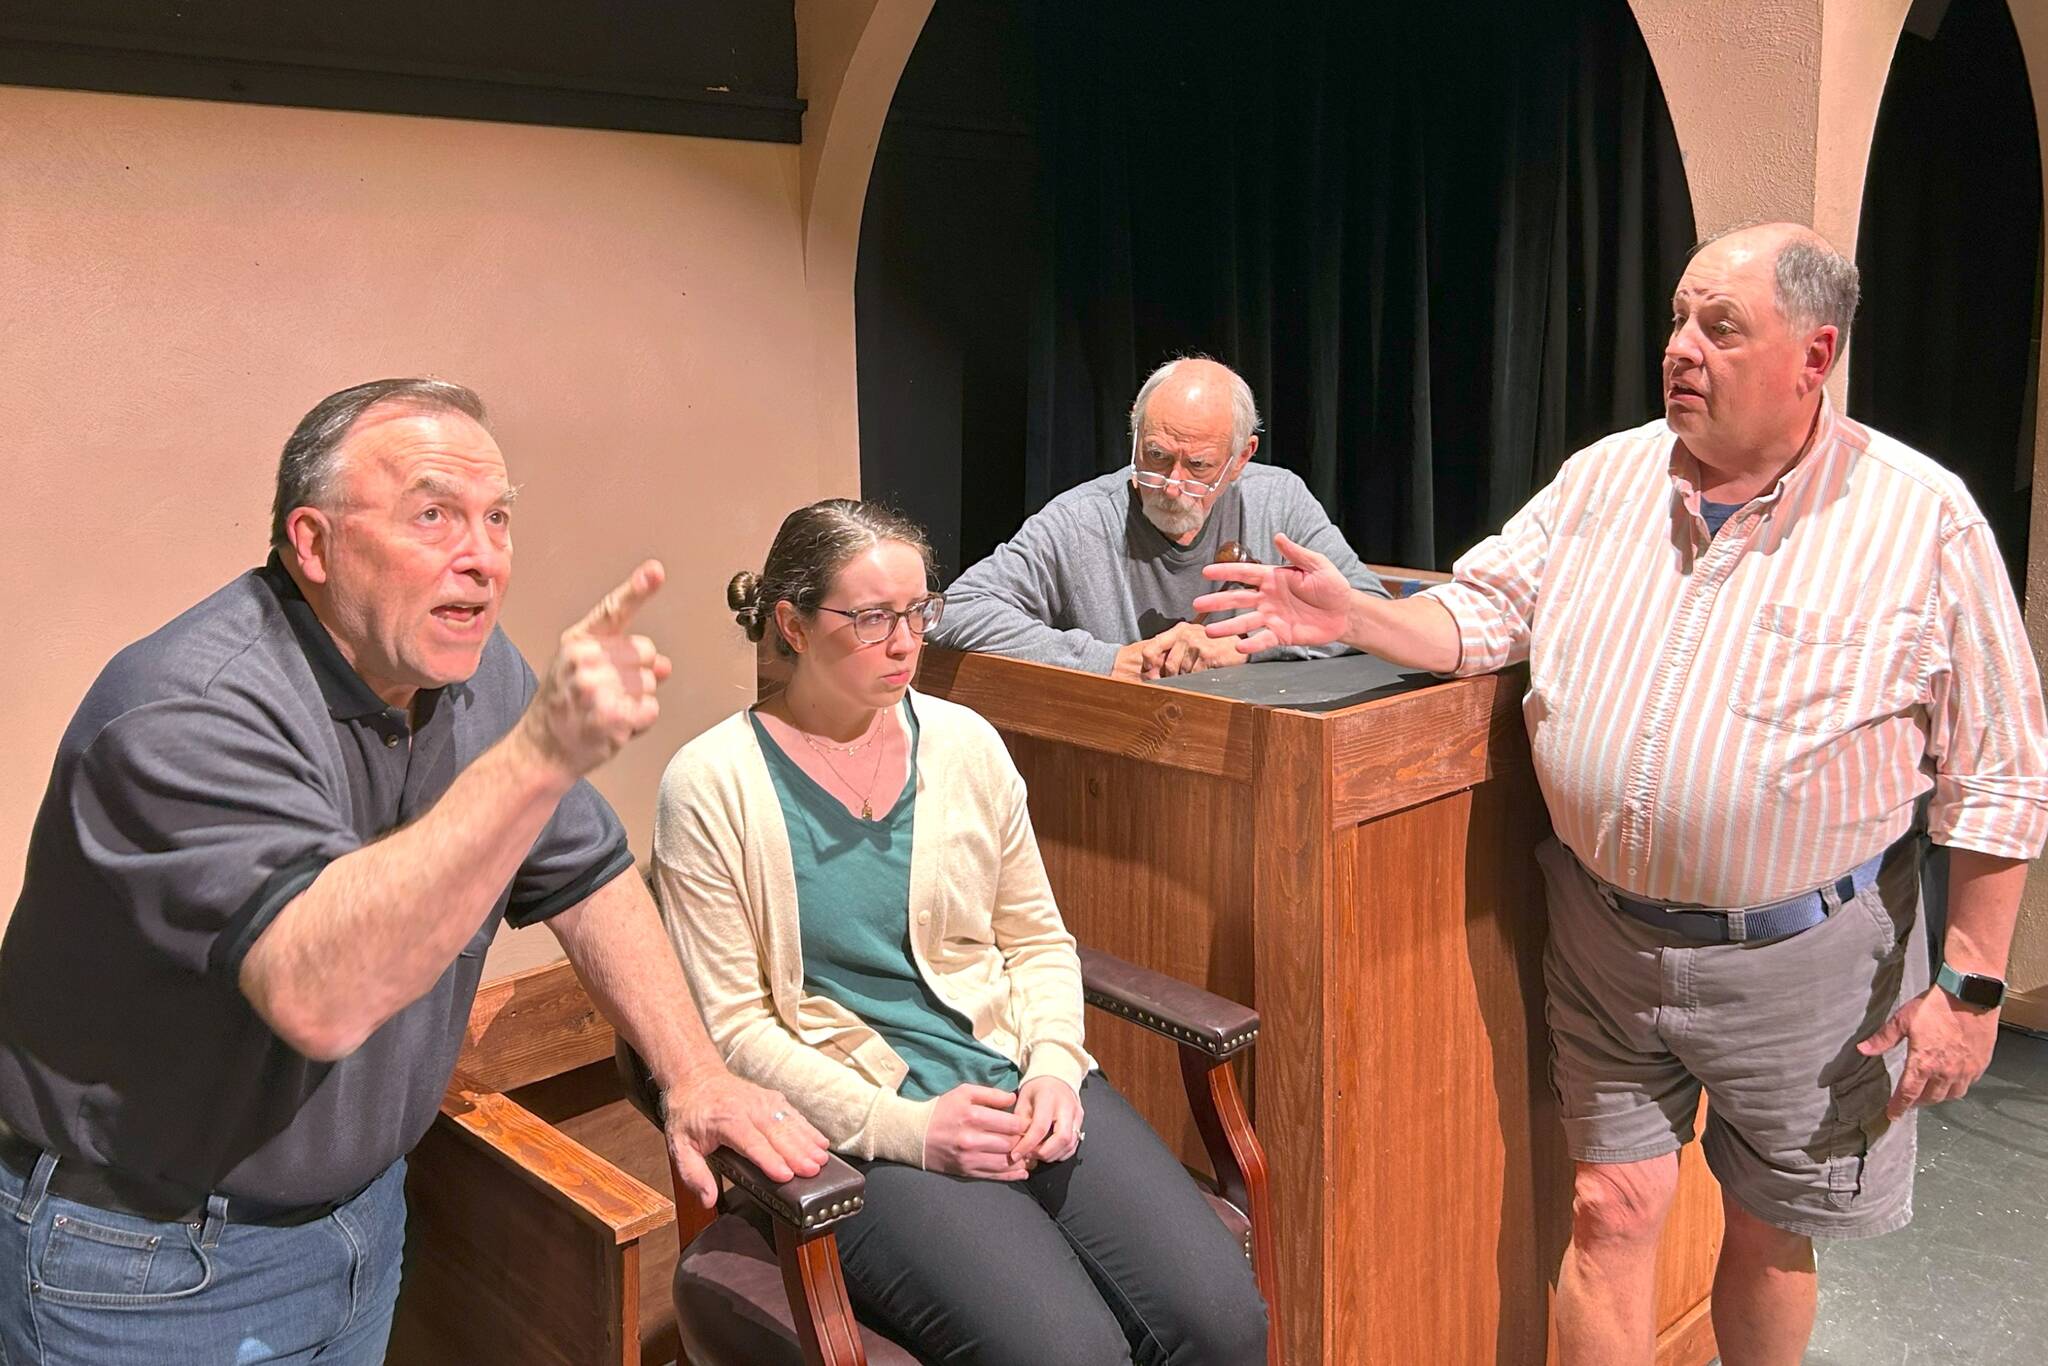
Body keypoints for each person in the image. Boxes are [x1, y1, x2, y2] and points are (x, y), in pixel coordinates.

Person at [1196, 223, 2048, 1365]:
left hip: (1807, 962)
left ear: (1813, 355)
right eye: (1677, 319)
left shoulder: (1918, 516)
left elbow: (1996, 771)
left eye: (1719, 327)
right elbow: (1486, 610)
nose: (1679, 348)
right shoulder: (1603, 477)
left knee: (1767, 1232)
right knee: (1607, 1208)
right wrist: (1357, 619)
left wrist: (1970, 987)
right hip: (1604, 937)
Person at [0, 378, 827, 1364]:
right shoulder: (185, 709)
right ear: (312, 543)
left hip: (361, 1218)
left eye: (496, 518)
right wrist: (537, 754)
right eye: (432, 514)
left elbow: (583, 869)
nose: (480, 558)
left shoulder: (470, 671)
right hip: (150, 1259)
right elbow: (317, 994)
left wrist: (694, 1076)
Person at [654, 498, 1269, 1365]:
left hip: (1017, 1075)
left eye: (918, 611)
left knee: (1224, 1321)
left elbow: (1037, 941)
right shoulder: (711, 786)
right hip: (869, 1121)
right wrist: (911, 1130)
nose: (906, 641)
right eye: (871, 618)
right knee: (1068, 1357)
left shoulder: (964, 744)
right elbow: (735, 1032)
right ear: (791, 623)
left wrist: (1056, 1065)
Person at [930, 356, 1388, 680]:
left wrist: (1243, 648)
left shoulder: (1279, 500)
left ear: (1241, 456)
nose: (1172, 485)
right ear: (1135, 429)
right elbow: (958, 611)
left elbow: (1371, 609)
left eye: (1199, 467)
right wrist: (1107, 660)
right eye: (1156, 455)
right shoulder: (1078, 521)